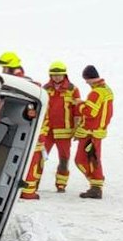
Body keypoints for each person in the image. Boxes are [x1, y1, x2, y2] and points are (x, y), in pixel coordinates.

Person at [22, 61, 79, 199]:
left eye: (59, 75)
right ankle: (33, 184)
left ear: (64, 74)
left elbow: (77, 111)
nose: (57, 78)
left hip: (64, 131)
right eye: (54, 75)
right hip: (47, 130)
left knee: (64, 158)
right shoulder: (46, 88)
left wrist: (77, 128)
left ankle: (61, 184)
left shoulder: (72, 89)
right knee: (39, 158)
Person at [73, 65, 114, 199]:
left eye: (86, 80)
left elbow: (90, 112)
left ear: (90, 78)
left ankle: (96, 185)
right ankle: (96, 186)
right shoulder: (106, 90)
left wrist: (79, 104)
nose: (86, 83)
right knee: (93, 159)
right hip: (98, 131)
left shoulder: (96, 92)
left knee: (82, 160)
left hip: (90, 132)